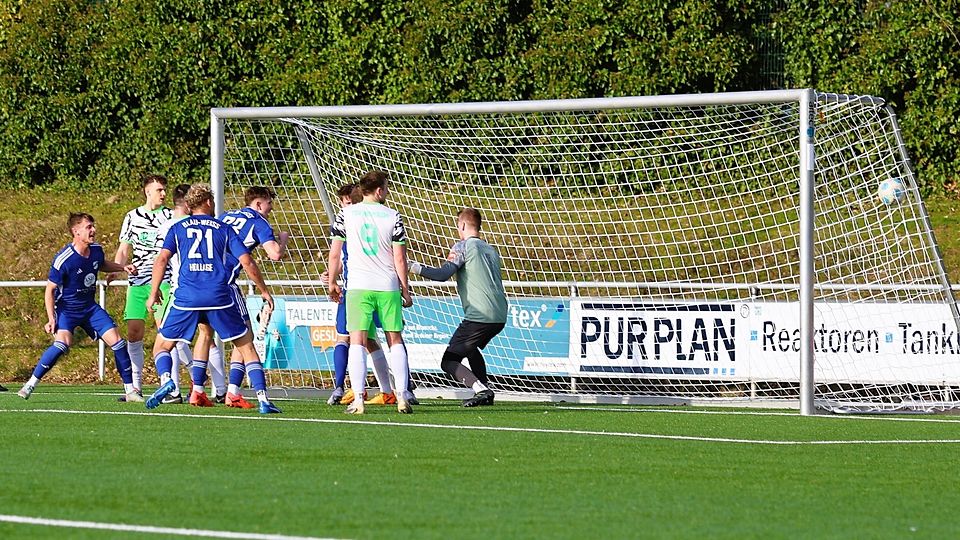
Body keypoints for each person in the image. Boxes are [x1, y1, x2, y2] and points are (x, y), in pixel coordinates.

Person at [143, 184, 281, 414]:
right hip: (219, 295)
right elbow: (247, 261)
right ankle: (263, 399)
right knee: (246, 346)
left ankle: (168, 379)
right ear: (207, 202)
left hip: (186, 296)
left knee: (162, 347)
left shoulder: (177, 228)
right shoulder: (223, 227)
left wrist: (154, 291)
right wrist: (264, 290)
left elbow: (161, 260)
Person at [18, 213, 139, 401]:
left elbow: (102, 264)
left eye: (93, 226)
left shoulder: (97, 250)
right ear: (76, 231)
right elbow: (49, 290)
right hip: (68, 309)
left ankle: (130, 391)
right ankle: (30, 384)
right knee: (61, 345)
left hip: (90, 308)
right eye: (88, 227)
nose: (94, 230)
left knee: (118, 341)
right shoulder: (64, 259)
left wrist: (121, 268)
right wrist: (51, 318)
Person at [328, 170, 413, 414]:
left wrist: (332, 282)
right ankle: (401, 396)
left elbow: (335, 253)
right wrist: (405, 289)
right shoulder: (393, 216)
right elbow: (399, 258)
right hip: (387, 286)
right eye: (386, 188)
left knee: (357, 341)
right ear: (378, 191)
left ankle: (359, 401)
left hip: (358, 287)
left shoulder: (345, 214)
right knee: (394, 339)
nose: (387, 192)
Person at [409, 207, 507, 407]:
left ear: (462, 225)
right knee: (471, 349)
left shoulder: (462, 246)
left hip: (479, 315)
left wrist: (412, 266)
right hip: (500, 314)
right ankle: (485, 390)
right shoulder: (490, 249)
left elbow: (443, 275)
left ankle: (481, 390)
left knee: (449, 361)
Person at [218, 186, 290, 408]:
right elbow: (275, 254)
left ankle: (221, 392)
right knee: (246, 337)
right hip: (225, 284)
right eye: (269, 203)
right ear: (259, 203)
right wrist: (283, 240)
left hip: (198, 281)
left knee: (207, 337)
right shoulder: (259, 222)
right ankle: (261, 397)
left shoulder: (225, 216)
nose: (271, 208)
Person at [110, 174, 176, 400]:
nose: (163, 194)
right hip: (138, 282)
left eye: (164, 190)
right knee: (134, 332)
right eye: (159, 190)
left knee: (165, 331)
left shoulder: (170, 216)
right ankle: (134, 387)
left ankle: (170, 387)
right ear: (147, 192)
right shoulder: (132, 216)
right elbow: (124, 248)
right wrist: (116, 268)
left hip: (164, 279)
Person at [150, 184, 198, 405]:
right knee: (212, 340)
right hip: (212, 288)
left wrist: (154, 289)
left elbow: (160, 260)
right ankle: (218, 388)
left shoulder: (168, 227)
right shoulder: (207, 225)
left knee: (164, 342)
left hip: (180, 289)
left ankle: (172, 386)